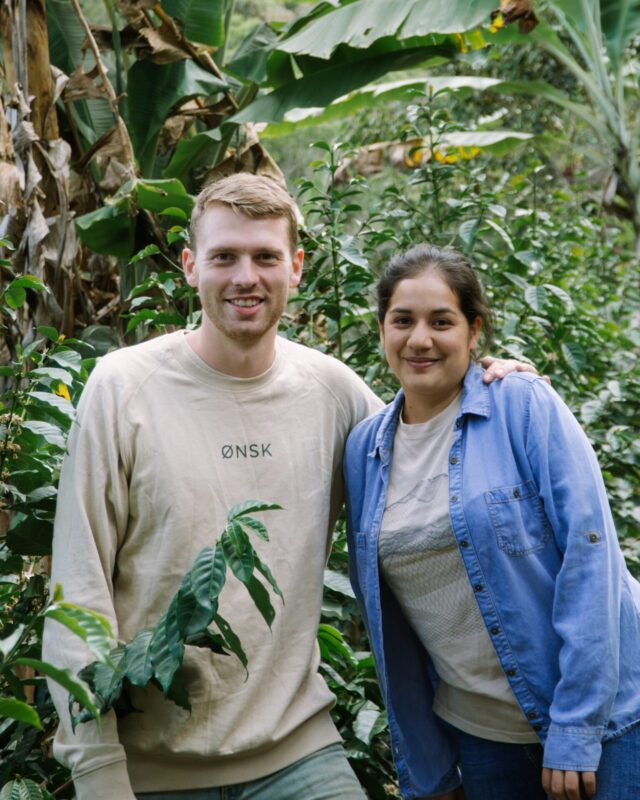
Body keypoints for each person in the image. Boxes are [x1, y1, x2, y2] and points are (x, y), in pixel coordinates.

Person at [43, 177, 534, 800]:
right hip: (148, 767)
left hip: (298, 751)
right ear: (191, 266)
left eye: (266, 257)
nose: (246, 276)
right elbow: (77, 594)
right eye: (225, 257)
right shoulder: (121, 390)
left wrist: (490, 384)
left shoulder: (333, 393)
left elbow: (430, 451)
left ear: (296, 268)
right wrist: (97, 771)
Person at [343, 243, 640, 800]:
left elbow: (590, 556)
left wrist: (574, 729)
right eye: (402, 320)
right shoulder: (365, 450)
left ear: (474, 330)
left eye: (442, 321)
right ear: (382, 328)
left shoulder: (520, 404)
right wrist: (426, 769)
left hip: (606, 720)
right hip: (481, 737)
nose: (420, 339)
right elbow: (387, 627)